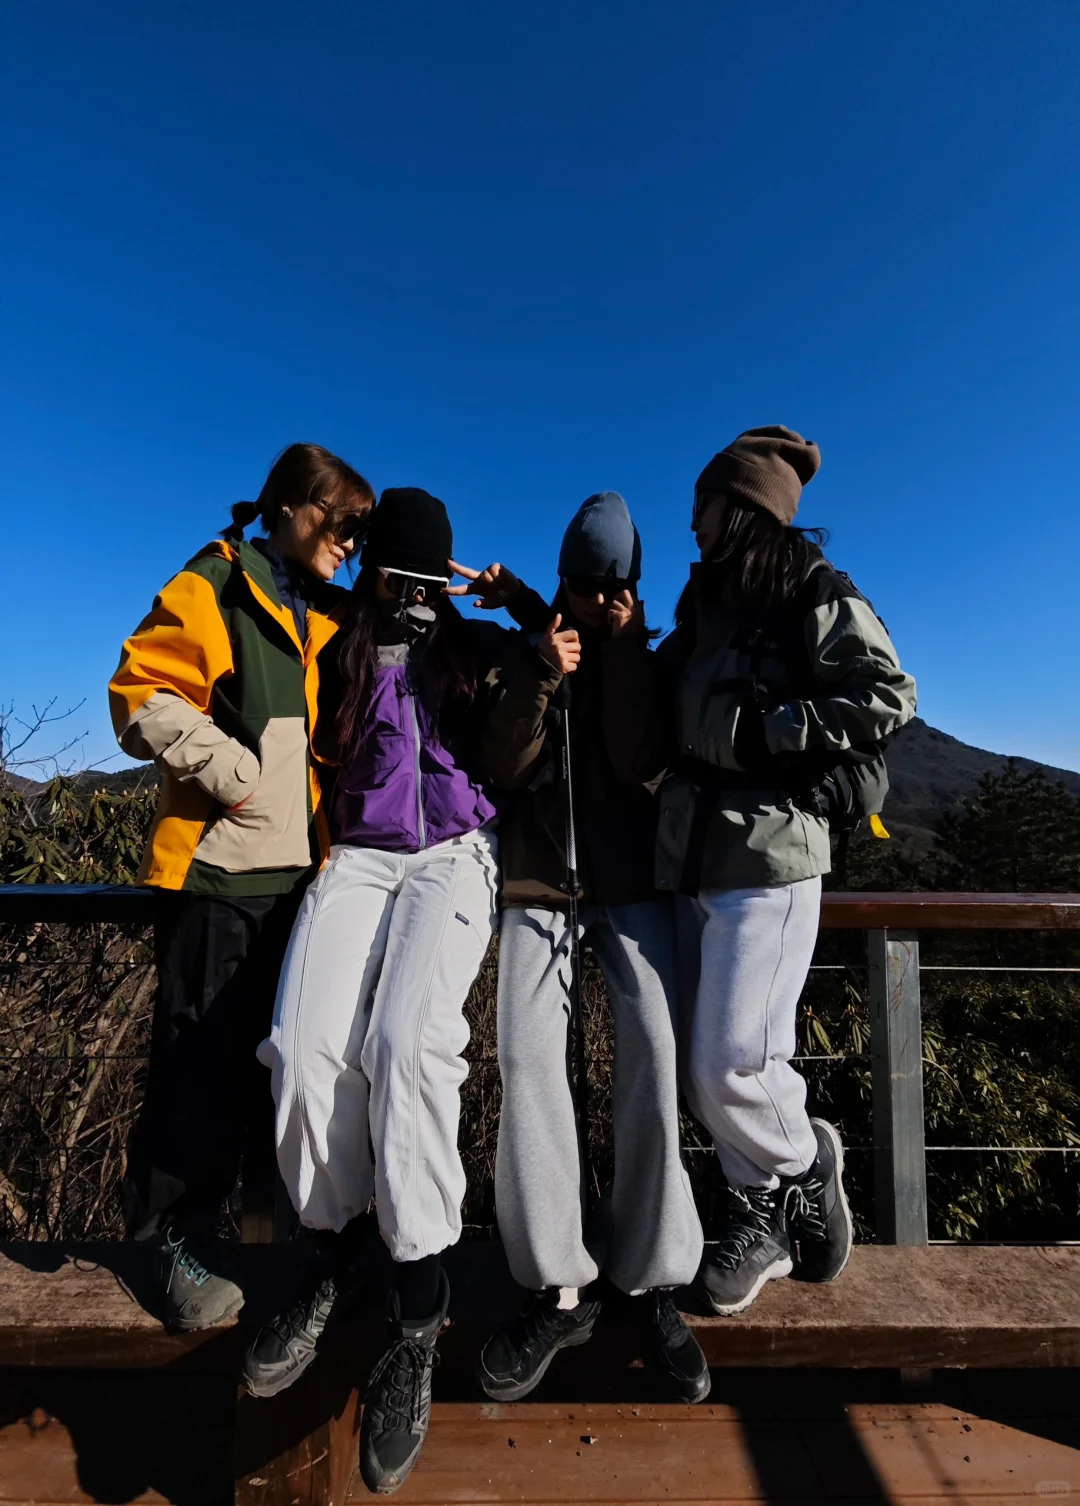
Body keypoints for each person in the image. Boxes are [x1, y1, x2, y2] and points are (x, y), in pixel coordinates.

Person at [244, 488, 514, 1497]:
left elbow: (570, 657)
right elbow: (265, 595)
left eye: (426, 580)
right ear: (371, 570)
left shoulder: (470, 646)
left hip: (454, 855)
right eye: (397, 576)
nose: (410, 594)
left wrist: (511, 602)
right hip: (357, 854)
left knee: (407, 1048)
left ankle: (416, 1310)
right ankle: (327, 1248)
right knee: (305, 1043)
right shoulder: (337, 639)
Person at [108, 442, 374, 1331]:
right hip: (217, 872)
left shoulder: (319, 608)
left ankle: (268, 1245)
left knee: (279, 1067)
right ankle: (167, 1236)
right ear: (295, 506)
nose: (349, 542)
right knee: (198, 1062)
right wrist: (235, 771)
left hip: (300, 877)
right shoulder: (219, 582)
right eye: (342, 523)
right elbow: (139, 690)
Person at [652, 426, 917, 1315]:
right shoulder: (707, 602)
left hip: (771, 855)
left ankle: (807, 1160)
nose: (691, 521)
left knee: (732, 1063)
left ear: (743, 508)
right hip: (694, 852)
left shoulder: (810, 589)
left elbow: (889, 690)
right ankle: (759, 1209)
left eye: (704, 504)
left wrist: (773, 732)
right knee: (708, 1058)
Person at [466, 492, 709, 1405]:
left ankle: (650, 1276)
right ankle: (558, 1285)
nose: (593, 600)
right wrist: (541, 665)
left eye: (610, 591)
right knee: (527, 1061)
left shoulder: (640, 657)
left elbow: (635, 753)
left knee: (655, 1048)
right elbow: (506, 767)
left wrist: (615, 652)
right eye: (579, 585)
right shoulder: (530, 648)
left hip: (631, 883)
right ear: (564, 579)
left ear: (630, 594)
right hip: (539, 883)